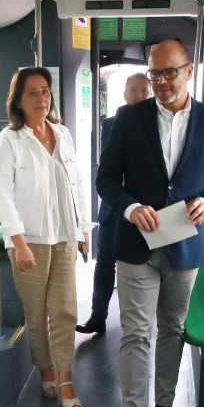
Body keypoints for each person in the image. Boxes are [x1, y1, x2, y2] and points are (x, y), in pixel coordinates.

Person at [96, 39, 204, 407]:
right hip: (135, 243)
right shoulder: (127, 118)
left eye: (169, 72)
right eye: (154, 73)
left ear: (188, 71)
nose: (160, 81)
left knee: (172, 329)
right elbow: (105, 178)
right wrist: (132, 206)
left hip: (184, 242)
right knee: (136, 334)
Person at [0, 67, 92, 407]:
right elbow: (2, 194)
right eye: (32, 92)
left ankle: (65, 380)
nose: (41, 98)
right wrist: (18, 242)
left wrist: (83, 228)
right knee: (36, 314)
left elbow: (78, 183)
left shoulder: (62, 133)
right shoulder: (10, 139)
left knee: (65, 310)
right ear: (19, 100)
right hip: (29, 239)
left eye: (46, 91)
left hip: (65, 235)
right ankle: (45, 370)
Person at [77, 72, 151, 335]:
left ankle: (142, 322)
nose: (140, 95)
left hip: (147, 208)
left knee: (147, 264)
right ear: (125, 93)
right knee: (105, 261)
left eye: (144, 90)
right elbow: (109, 168)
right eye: (134, 90)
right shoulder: (111, 124)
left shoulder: (159, 123)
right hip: (113, 205)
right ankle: (98, 316)